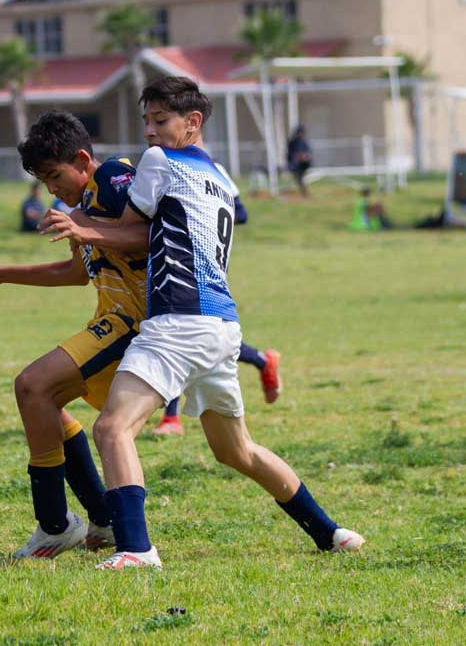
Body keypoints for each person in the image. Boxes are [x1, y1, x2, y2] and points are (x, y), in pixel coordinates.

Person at [87, 77, 363, 569]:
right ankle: (332, 532)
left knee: (112, 428)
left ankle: (136, 549)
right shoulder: (219, 175)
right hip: (222, 325)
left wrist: (79, 224)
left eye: (160, 121)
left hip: (179, 321)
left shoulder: (160, 162)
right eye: (146, 121)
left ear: (192, 123)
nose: (149, 132)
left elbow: (131, 229)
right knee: (237, 450)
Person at [0, 111, 150, 559]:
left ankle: (55, 524)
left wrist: (83, 227)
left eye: (55, 176)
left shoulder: (116, 178)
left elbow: (146, 237)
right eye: (44, 181)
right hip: (110, 320)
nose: (52, 189)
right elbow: (77, 273)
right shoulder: (82, 209)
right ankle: (103, 517)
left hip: (136, 322)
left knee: (32, 385)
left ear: (82, 159)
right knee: (46, 404)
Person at [152, 156, 281, 437]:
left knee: (182, 332)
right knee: (200, 336)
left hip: (199, 261)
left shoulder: (207, 169)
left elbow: (242, 213)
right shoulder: (199, 168)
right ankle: (261, 360)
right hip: (185, 261)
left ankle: (171, 417)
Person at [287, 125, 312, 197]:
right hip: (295, 165)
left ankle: (305, 193)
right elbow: (290, 154)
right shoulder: (292, 142)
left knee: (300, 179)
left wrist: (304, 157)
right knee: (299, 179)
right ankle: (305, 193)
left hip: (303, 165)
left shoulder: (304, 142)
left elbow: (308, 154)